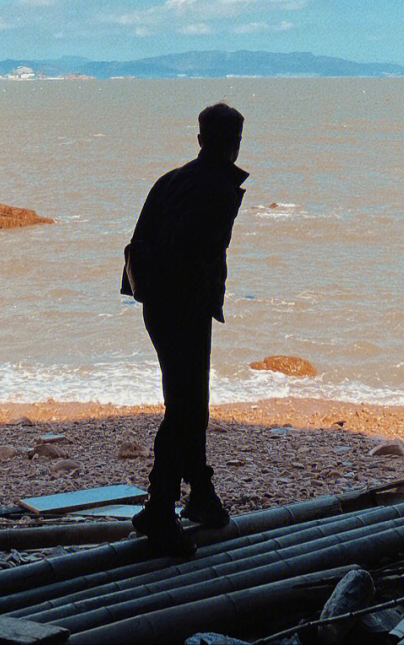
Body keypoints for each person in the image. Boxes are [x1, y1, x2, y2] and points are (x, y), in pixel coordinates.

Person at [121, 102, 247, 554]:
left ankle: (200, 495)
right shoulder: (213, 188)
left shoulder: (171, 181)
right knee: (186, 408)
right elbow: (196, 255)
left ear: (199, 140)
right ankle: (160, 508)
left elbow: (144, 243)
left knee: (191, 404)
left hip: (160, 304)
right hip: (183, 307)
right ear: (230, 143)